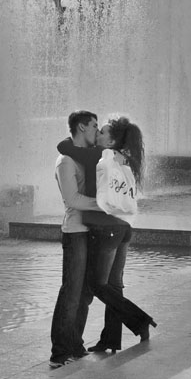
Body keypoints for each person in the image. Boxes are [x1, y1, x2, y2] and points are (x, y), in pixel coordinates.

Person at [57, 115, 157, 354]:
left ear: (111, 141)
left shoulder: (100, 155)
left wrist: (76, 135)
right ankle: (111, 338)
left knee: (97, 284)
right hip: (124, 227)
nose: (98, 134)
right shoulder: (126, 158)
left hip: (107, 229)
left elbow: (64, 146)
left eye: (101, 131)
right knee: (113, 285)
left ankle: (139, 320)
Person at [50, 111, 100, 367]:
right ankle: (59, 352)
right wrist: (103, 204)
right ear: (81, 127)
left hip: (91, 230)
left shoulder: (87, 156)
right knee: (71, 292)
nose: (97, 131)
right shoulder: (66, 161)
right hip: (75, 232)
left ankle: (75, 344)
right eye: (94, 126)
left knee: (85, 293)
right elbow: (72, 199)